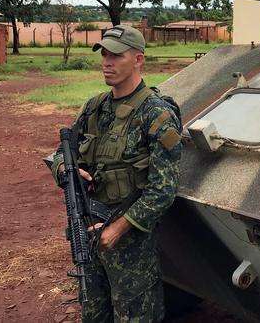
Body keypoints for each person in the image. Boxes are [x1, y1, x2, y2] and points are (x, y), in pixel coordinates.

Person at [50, 25, 182, 322]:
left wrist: (118, 229)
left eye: (116, 56)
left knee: (135, 315)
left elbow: (163, 190)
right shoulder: (95, 107)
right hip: (88, 231)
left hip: (130, 243)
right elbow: (61, 151)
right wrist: (65, 169)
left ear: (138, 60)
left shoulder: (156, 114)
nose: (107, 62)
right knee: (93, 312)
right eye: (105, 55)